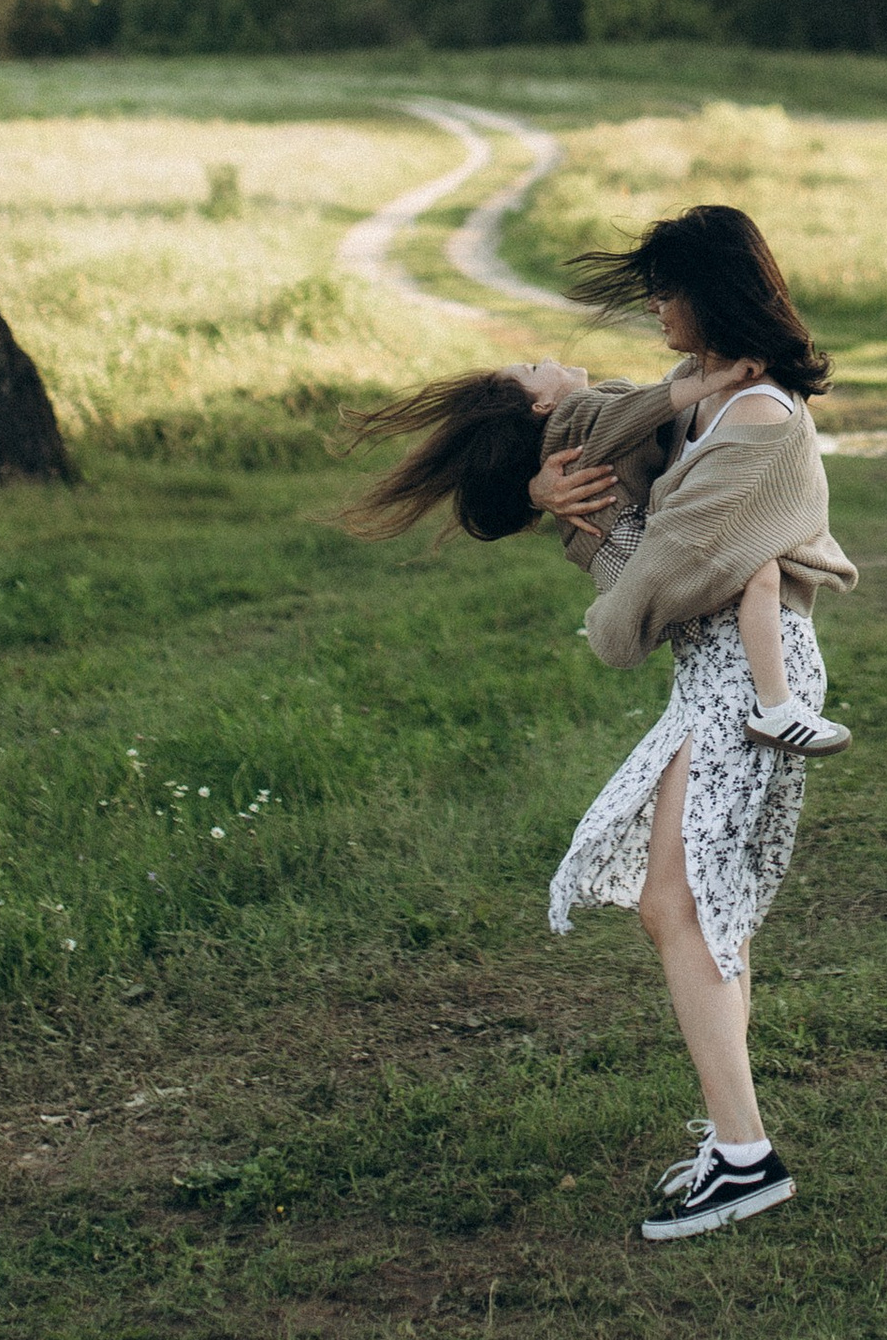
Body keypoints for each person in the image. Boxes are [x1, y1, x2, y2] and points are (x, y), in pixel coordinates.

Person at [343, 204, 856, 1241]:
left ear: (709, 291)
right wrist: (541, 487)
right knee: (697, 904)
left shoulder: (754, 423)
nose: (656, 309)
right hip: (708, 678)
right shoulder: (701, 405)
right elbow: (598, 429)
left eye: (667, 289)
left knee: (683, 904)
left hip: (745, 677)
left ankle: (745, 1157)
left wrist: (595, 556)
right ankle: (734, 1140)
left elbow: (647, 599)